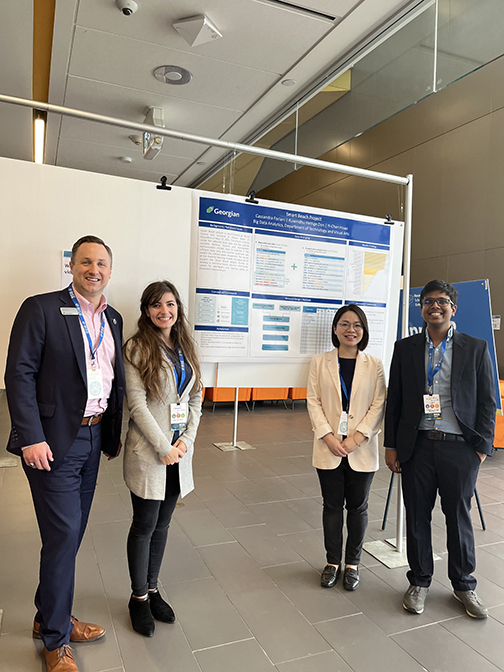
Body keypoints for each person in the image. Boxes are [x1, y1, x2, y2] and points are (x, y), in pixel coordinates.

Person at [5, 235, 124, 672]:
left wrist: (109, 436)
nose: (95, 269)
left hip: (93, 439)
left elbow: (113, 381)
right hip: (52, 441)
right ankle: (56, 640)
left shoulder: (113, 318)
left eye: (103, 263)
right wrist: (30, 436)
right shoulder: (41, 308)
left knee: (68, 537)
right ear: (71, 266)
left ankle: (47, 617)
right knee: (62, 536)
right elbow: (18, 373)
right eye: (86, 262)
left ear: (111, 270)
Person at [385, 279, 496, 619]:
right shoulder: (405, 348)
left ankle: (464, 585)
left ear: (453, 308)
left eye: (442, 301)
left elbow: (488, 402)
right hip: (417, 446)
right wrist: (391, 446)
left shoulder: (474, 347)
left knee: (458, 518)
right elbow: (396, 401)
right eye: (428, 301)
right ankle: (419, 581)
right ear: (421, 308)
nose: (435, 306)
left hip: (460, 448)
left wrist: (481, 449)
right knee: (417, 516)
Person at [123, 281, 202, 637]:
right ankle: (138, 598)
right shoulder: (137, 348)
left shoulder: (186, 345)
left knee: (164, 524)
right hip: (150, 452)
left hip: (178, 452)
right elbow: (137, 405)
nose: (163, 311)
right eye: (156, 305)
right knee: (145, 525)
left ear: (178, 308)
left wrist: (186, 440)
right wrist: (163, 446)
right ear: (146, 310)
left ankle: (153, 589)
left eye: (169, 304)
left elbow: (197, 396)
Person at [307, 304, 386, 591]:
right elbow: (313, 401)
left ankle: (352, 564)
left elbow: (379, 404)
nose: (350, 329)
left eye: (357, 325)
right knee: (331, 507)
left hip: (361, 448)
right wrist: (328, 436)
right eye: (344, 324)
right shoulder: (319, 362)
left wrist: (357, 438)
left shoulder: (374, 364)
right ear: (335, 328)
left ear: (364, 331)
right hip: (328, 447)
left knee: (358, 507)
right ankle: (332, 562)